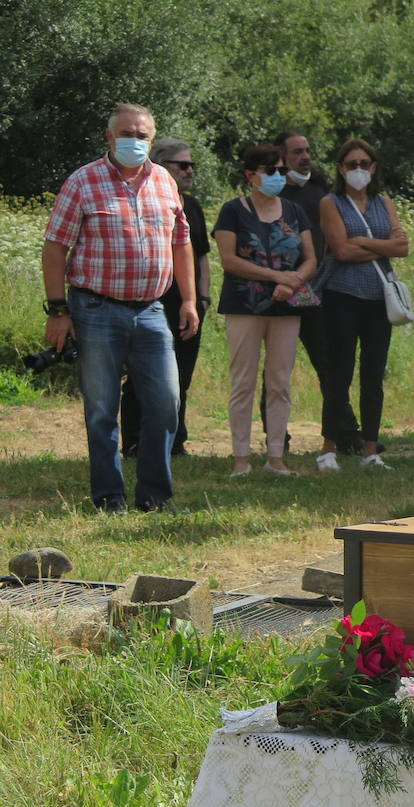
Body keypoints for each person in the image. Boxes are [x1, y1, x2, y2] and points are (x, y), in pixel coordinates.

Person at [41, 102, 199, 514]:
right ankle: (109, 497)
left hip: (151, 309)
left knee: (166, 403)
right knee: (101, 410)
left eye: (142, 134)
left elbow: (181, 241)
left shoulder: (165, 181)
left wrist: (188, 299)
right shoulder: (83, 181)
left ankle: (155, 496)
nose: (135, 140)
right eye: (126, 133)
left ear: (152, 137)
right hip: (95, 308)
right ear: (109, 138)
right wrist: (58, 310)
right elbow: (55, 246)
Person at [213, 142, 317, 477]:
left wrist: (293, 281)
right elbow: (229, 259)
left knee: (280, 382)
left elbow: (311, 257)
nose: (278, 177)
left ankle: (276, 458)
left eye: (282, 171)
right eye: (270, 171)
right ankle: (240, 459)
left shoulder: (294, 210)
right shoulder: (233, 210)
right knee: (243, 381)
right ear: (251, 174)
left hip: (287, 306)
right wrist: (277, 277)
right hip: (244, 305)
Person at [315, 138, 409, 472]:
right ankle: (329, 446)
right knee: (339, 373)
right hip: (342, 295)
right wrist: (383, 246)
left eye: (364, 163)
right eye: (352, 164)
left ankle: (371, 449)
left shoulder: (384, 201)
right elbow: (340, 251)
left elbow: (403, 247)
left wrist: (365, 242)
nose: (359, 170)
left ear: (374, 166)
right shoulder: (331, 202)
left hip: (377, 298)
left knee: (374, 374)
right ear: (341, 168)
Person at [119, 136, 212, 458]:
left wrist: (202, 298)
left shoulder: (194, 206)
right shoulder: (144, 200)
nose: (189, 171)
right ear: (161, 164)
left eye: (192, 165)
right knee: (140, 376)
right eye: (183, 165)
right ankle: (133, 440)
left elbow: (200, 256)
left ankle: (176, 440)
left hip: (187, 304)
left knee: (180, 376)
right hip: (149, 302)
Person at [273, 129, 348, 452]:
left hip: (320, 291)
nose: (304, 156)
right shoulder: (275, 190)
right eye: (296, 152)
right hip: (281, 290)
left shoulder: (322, 190)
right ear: (282, 157)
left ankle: (345, 435)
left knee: (330, 365)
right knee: (277, 369)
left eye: (307, 150)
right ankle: (278, 439)